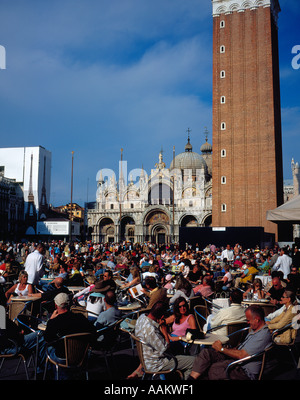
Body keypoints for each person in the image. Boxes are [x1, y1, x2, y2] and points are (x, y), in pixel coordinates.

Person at [188, 305, 273, 380]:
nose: (247, 323)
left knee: (213, 368)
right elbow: (241, 350)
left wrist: (221, 349)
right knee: (206, 353)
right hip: (236, 360)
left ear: (257, 320)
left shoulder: (263, 334)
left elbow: (242, 355)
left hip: (244, 370)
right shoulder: (254, 330)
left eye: (248, 320)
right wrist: (226, 349)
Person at [134, 301, 195, 379]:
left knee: (177, 347)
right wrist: (164, 330)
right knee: (194, 362)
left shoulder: (141, 318)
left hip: (146, 358)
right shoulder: (151, 330)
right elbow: (166, 348)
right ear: (162, 316)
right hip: (157, 364)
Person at [43, 292, 97, 379]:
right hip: (81, 355)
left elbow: (47, 339)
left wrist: (50, 320)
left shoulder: (54, 322)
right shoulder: (80, 317)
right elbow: (93, 331)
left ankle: (47, 374)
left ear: (56, 306)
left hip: (63, 357)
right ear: (69, 304)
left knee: (46, 348)